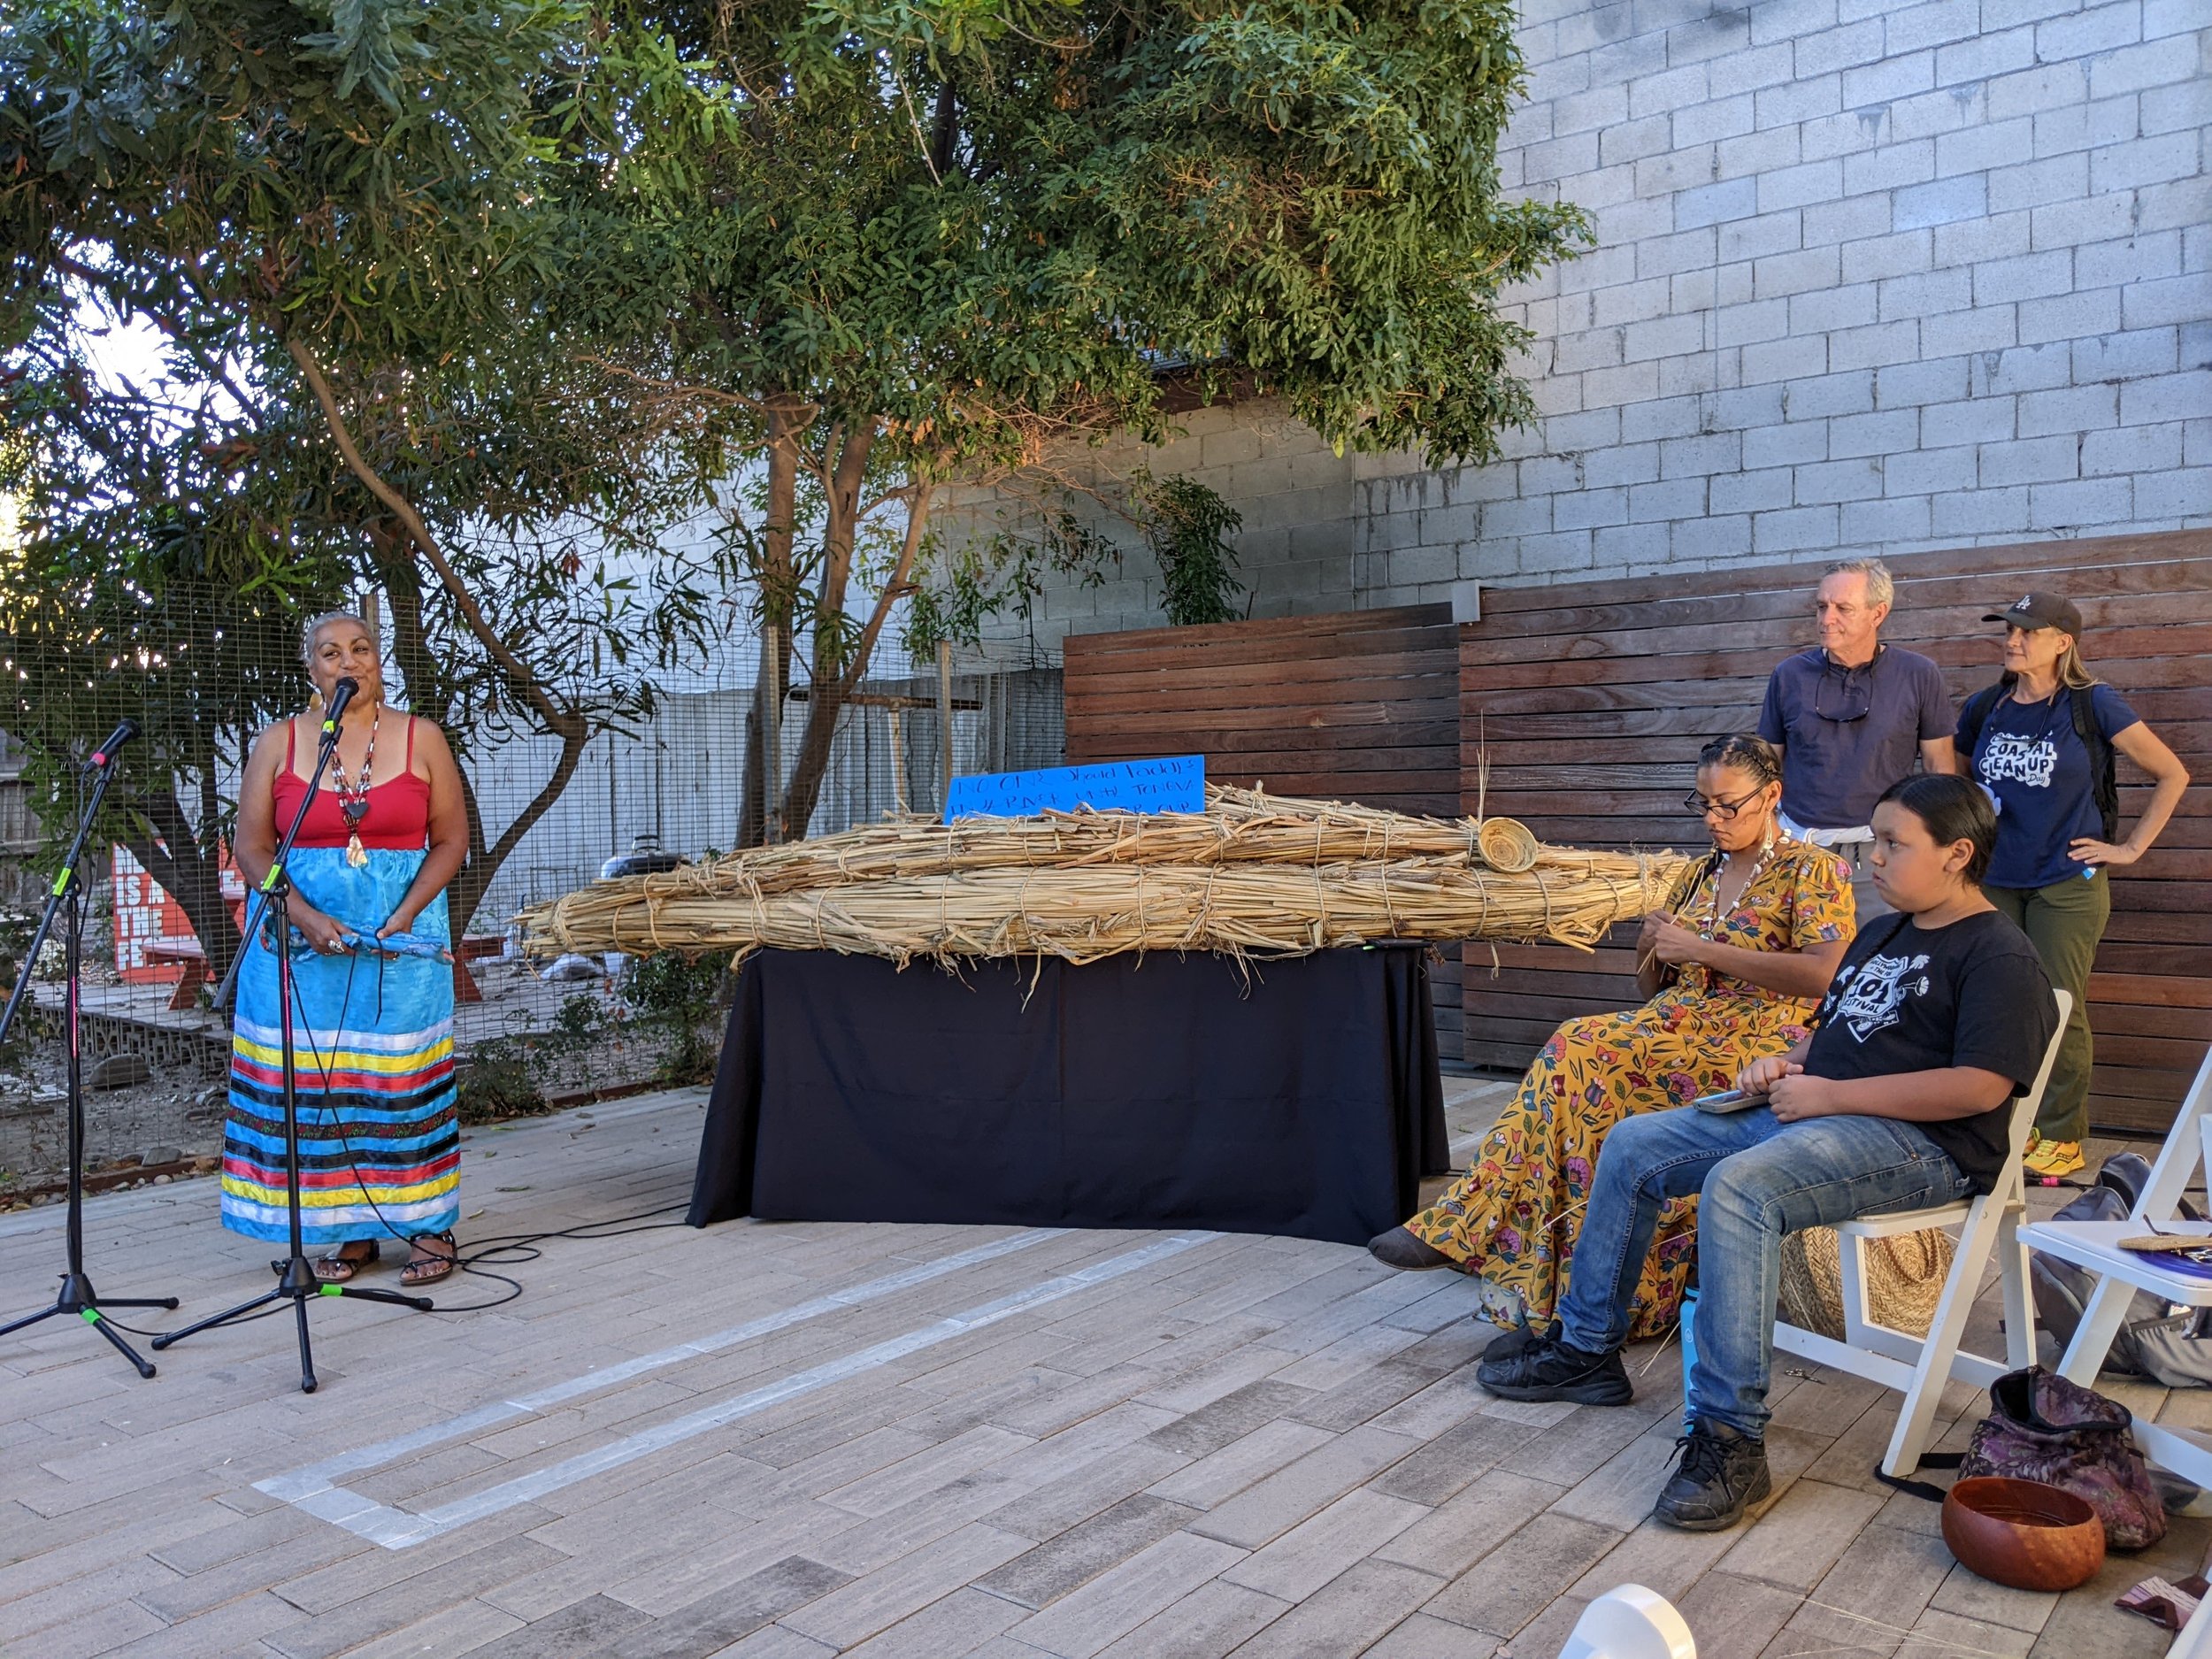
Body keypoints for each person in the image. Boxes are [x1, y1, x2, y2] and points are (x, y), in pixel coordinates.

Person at [1475, 774, 2058, 1532]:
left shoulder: (1997, 954)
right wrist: (1789, 1061)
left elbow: (1980, 1087)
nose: (1870, 859)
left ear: (1958, 854)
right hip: (1816, 1110)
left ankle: (1730, 1439)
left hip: (1923, 1146)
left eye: (1892, 843)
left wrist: (1831, 1095)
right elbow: (1840, 1029)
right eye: (1874, 840)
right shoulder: (1886, 933)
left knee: (1739, 1187)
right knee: (1634, 1141)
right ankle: (1588, 1349)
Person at [1367, 735, 1854, 1339]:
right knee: (1578, 1058)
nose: (1712, 819)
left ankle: (1475, 1226)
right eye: (1701, 804)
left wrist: (1703, 948)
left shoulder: (1812, 869)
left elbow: (1826, 974)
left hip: (1758, 1035)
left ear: (1772, 794)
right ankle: (1541, 1269)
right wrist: (1651, 944)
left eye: (1727, 805)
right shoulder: (1699, 873)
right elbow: (1650, 988)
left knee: (1581, 1051)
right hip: (1675, 1022)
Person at [219, 611, 471, 1286]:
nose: (348, 661)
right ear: (312, 671)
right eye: (331, 652)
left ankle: (426, 1224)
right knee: (318, 1089)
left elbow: (452, 839)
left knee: (399, 1079)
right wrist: (299, 913)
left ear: (379, 660)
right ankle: (347, 1230)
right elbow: (251, 846)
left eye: (361, 648)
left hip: (400, 943)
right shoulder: (278, 742)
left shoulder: (424, 739)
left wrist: (406, 913)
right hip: (300, 949)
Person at [1958, 593, 2191, 1183]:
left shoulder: (2093, 704)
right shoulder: (1986, 707)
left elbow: (2172, 773)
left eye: (2027, 632)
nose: (2013, 640)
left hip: (2067, 883)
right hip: (1996, 882)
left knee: (2059, 1003)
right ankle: (2006, 1121)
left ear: (2063, 641)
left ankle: (2060, 1134)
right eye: (2008, 630)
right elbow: (1958, 786)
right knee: (1999, 1003)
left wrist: (2130, 848)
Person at [1760, 558, 1955, 919]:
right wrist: (1770, 839)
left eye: (1842, 608)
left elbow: (1939, 768)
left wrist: (1933, 850)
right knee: (1800, 968)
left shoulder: (1919, 674)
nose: (1826, 618)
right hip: (1798, 851)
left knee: (1877, 964)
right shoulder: (1788, 675)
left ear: (1878, 613)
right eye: (1821, 606)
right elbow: (1764, 766)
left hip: (1881, 853)